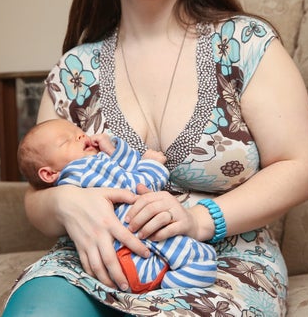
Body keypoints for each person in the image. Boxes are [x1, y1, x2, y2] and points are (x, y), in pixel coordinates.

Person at [3, 0, 308, 316]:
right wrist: (65, 201)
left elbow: (299, 168)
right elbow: (37, 194)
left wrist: (200, 219)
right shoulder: (75, 70)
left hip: (218, 264)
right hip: (97, 260)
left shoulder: (246, 45)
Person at [17, 118, 217, 292]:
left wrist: (112, 149)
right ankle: (164, 284)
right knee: (202, 263)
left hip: (121, 255)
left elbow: (122, 170)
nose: (79, 136)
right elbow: (136, 186)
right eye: (65, 141)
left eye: (79, 132)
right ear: (49, 173)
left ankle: (159, 283)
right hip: (137, 245)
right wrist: (153, 165)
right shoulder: (82, 169)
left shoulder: (87, 170)